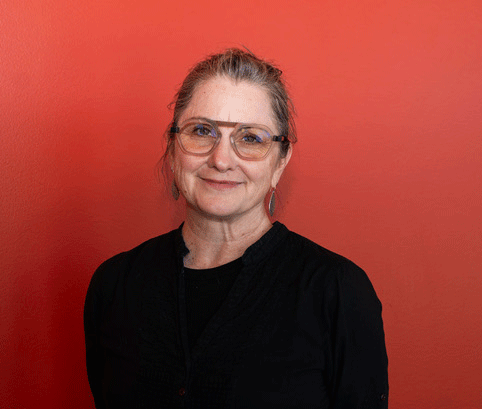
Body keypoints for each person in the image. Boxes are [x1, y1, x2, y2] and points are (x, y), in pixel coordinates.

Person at [84, 48, 388, 408]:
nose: (221, 159)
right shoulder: (114, 285)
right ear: (173, 148)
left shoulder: (337, 291)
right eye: (202, 131)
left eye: (250, 138)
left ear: (280, 163)